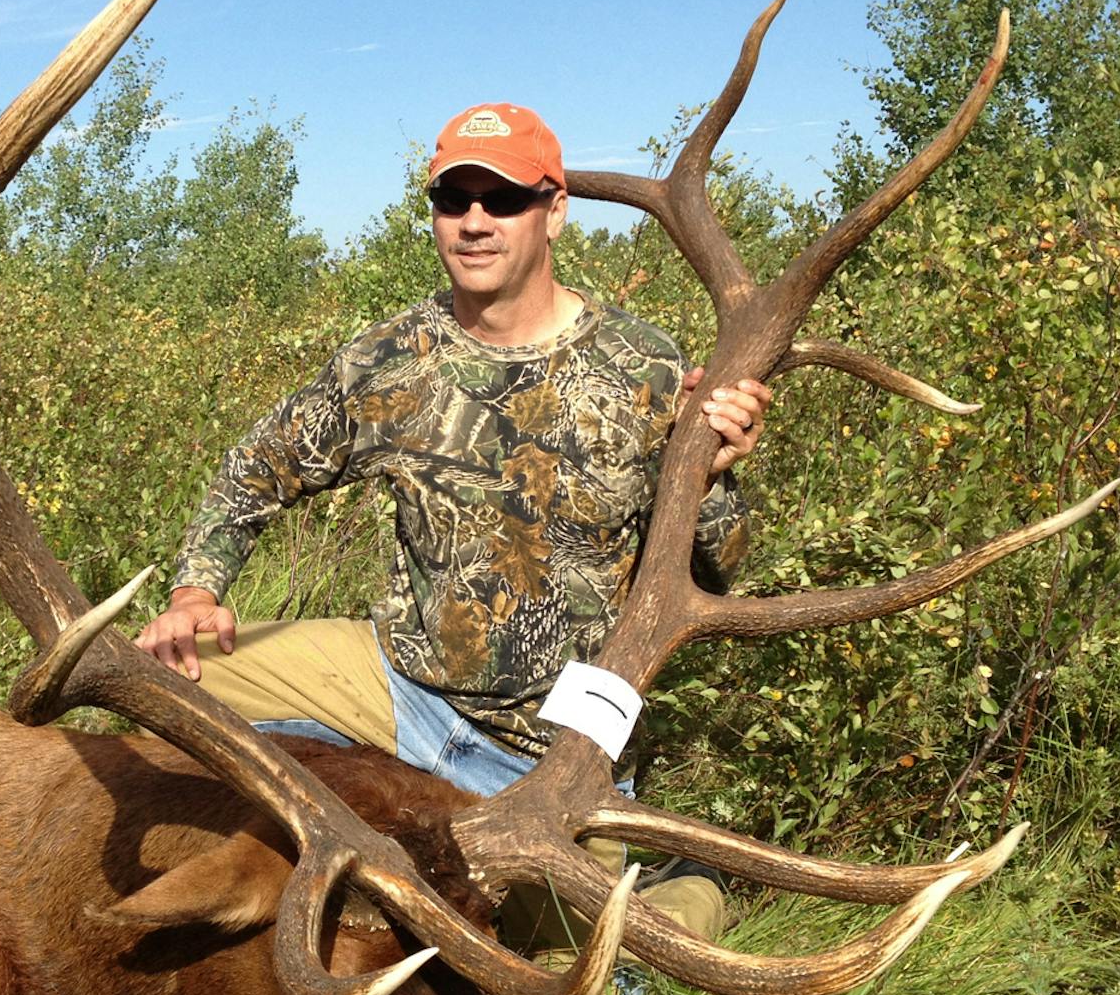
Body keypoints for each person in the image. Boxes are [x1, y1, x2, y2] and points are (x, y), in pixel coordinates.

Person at [135, 102, 770, 943]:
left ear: (554, 210)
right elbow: (261, 464)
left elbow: (717, 567)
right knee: (157, 683)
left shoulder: (641, 365)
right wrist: (195, 592)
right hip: (399, 694)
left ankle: (680, 876)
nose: (474, 222)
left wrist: (715, 475)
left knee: (612, 964)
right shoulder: (391, 358)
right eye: (453, 199)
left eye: (501, 199)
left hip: (553, 754)